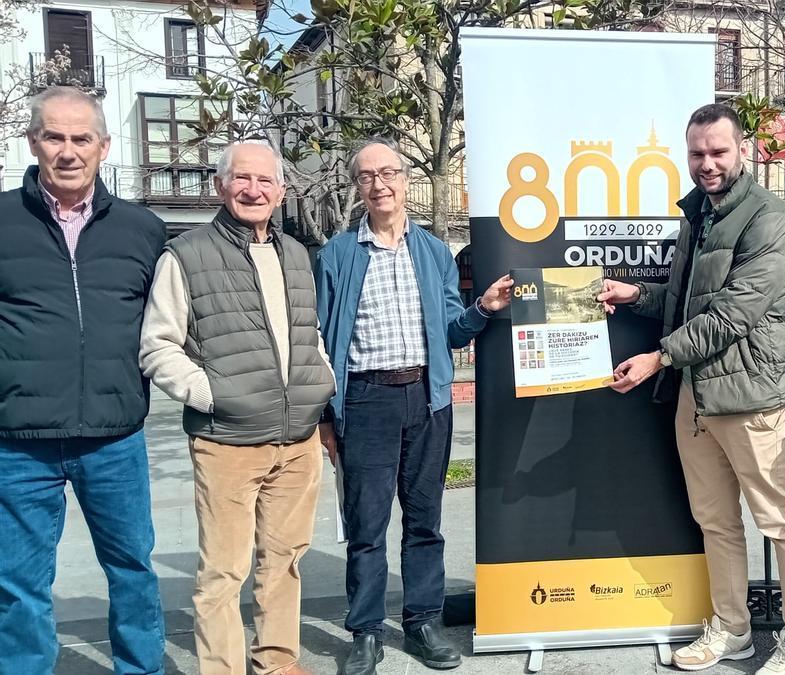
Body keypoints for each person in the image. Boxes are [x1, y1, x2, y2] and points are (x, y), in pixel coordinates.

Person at [597, 103, 785, 675]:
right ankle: (733, 630)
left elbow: (731, 316)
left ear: (742, 150)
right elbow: (685, 303)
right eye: (697, 152)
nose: (707, 163)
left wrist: (658, 358)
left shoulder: (771, 220)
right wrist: (636, 296)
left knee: (780, 523)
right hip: (697, 397)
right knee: (716, 522)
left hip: (753, 399)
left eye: (718, 151)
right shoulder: (697, 215)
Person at [314, 139, 512, 674]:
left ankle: (423, 622)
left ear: (405, 179)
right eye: (367, 176)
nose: (379, 184)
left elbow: (449, 330)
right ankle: (366, 632)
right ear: (356, 186)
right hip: (365, 399)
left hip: (428, 399)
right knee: (367, 523)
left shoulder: (433, 251)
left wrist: (482, 310)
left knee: (425, 520)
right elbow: (319, 341)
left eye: (389, 173)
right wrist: (324, 417)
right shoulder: (335, 256)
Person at [140, 139, 335, 675]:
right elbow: (158, 347)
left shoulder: (296, 254)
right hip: (226, 442)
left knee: (284, 560)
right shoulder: (187, 255)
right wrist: (213, 395)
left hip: (298, 440)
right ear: (221, 186)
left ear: (281, 191)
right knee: (222, 573)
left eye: (265, 181)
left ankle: (276, 661)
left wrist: (322, 380)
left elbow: (308, 332)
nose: (254, 190)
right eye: (242, 179)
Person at [0, 86, 166, 675]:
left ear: (103, 146)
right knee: (18, 584)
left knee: (132, 570)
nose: (67, 151)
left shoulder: (142, 229)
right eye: (54, 136)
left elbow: (170, 323)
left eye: (80, 138)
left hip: (115, 438)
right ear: (33, 142)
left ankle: (140, 669)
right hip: (18, 444)